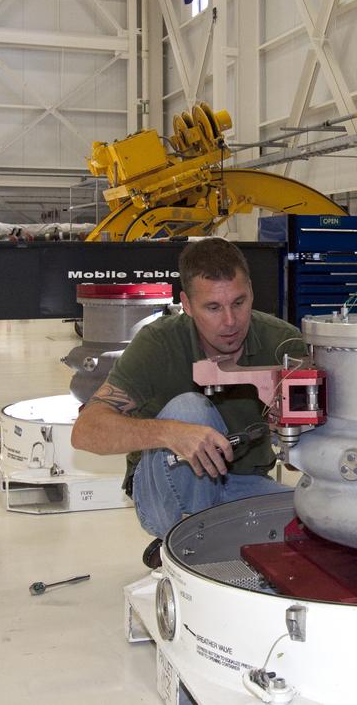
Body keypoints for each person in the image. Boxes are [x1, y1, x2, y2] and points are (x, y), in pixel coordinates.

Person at [72, 237, 301, 566]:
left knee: (316, 520)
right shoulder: (158, 343)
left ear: (251, 291)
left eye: (239, 302)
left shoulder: (283, 343)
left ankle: (194, 544)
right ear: (187, 304)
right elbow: (86, 431)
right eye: (212, 308)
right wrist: (171, 433)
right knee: (189, 409)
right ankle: (193, 546)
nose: (230, 321)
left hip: (241, 485)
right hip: (166, 491)